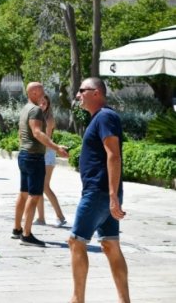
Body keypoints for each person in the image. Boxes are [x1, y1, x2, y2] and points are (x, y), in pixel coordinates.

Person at [69, 77, 129, 303]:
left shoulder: (104, 116)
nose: (77, 95)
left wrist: (113, 196)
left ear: (96, 93)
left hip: (99, 192)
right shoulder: (101, 118)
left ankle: (77, 299)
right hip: (103, 191)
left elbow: (114, 155)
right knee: (110, 244)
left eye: (81, 90)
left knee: (76, 241)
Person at [12, 82, 68, 247]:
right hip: (34, 156)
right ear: (34, 92)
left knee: (23, 193)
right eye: (42, 90)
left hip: (24, 154)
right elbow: (37, 132)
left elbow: (21, 133)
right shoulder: (35, 110)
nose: (44, 92)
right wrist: (56, 148)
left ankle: (17, 229)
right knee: (34, 195)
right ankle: (27, 234)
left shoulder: (25, 108)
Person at [34, 95, 67, 227]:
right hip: (38, 153)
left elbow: (46, 138)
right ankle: (41, 218)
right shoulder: (35, 117)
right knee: (38, 187)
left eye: (45, 103)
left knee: (44, 186)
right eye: (40, 102)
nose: (42, 105)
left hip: (47, 153)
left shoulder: (49, 119)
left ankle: (60, 216)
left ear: (48, 105)